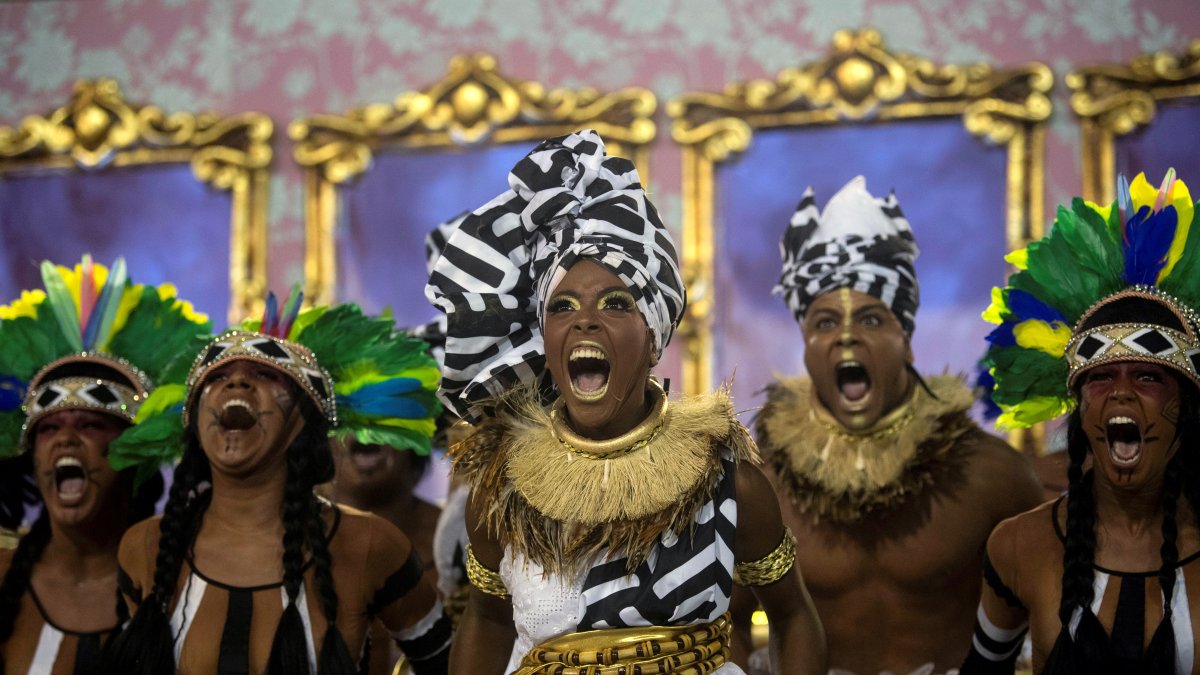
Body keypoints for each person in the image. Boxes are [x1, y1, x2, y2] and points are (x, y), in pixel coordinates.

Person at [427, 129, 826, 674]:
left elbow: (795, 619)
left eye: (615, 303)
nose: (585, 320)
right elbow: (489, 623)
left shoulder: (728, 484)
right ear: (546, 337)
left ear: (653, 335)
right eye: (562, 307)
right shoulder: (502, 493)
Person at [750, 177, 1042, 674]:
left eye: (870, 319)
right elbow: (725, 625)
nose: (845, 338)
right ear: (804, 345)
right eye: (823, 323)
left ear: (906, 340)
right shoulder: (763, 485)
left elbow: (1059, 599)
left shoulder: (990, 474)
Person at [103, 291, 452, 674]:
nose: (235, 383)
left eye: (266, 375)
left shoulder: (369, 545)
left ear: (305, 420)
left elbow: (452, 664)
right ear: (195, 419)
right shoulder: (145, 548)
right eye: (216, 376)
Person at [964, 170, 1200, 673]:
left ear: (1188, 405)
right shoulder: (1019, 546)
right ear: (1078, 407)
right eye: (1100, 377)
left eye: (1148, 377)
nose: (1120, 391)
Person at [0, 256, 210, 673]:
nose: (65, 438)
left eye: (91, 424)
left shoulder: (182, 585)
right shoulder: (4, 577)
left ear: (134, 450)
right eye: (47, 428)